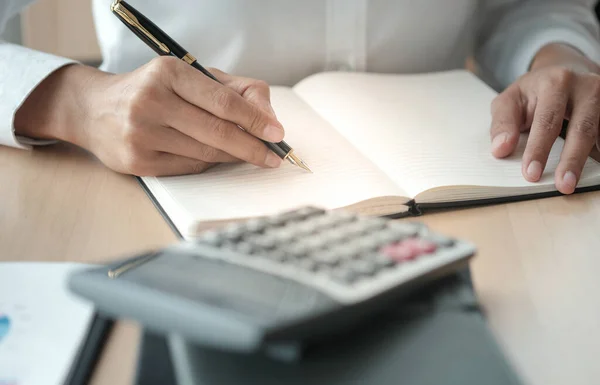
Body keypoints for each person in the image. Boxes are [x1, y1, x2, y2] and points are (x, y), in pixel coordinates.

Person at [2, 1, 600, 195]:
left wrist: (558, 58)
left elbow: (526, 6)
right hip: (138, 198)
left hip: (484, 212)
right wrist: (74, 102)